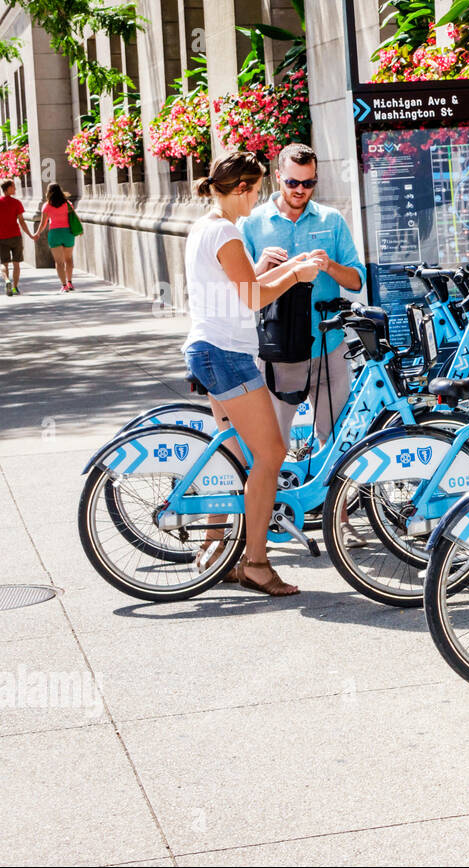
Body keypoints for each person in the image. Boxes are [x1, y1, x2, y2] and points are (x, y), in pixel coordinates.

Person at [184, 152, 325, 597]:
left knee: (235, 456)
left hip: (209, 349)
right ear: (242, 188)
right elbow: (252, 299)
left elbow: (241, 286)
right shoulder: (226, 232)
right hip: (227, 355)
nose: (260, 198)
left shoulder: (205, 226)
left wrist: (282, 267)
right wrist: (298, 273)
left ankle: (214, 552)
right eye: (259, 188)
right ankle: (257, 564)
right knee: (271, 455)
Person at [240, 142, 369, 547]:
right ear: (279, 176)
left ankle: (340, 521)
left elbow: (357, 281)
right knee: (271, 447)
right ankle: (267, 524)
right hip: (278, 350)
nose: (301, 190)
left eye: (309, 182)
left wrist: (329, 265)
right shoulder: (254, 222)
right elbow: (241, 285)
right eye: (294, 182)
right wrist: (263, 266)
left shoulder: (331, 220)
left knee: (337, 442)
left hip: (328, 346)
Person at [34, 183, 77, 292]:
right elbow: (74, 219)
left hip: (54, 234)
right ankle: (70, 282)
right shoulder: (68, 204)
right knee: (68, 259)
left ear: (49, 192)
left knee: (59, 262)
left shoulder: (46, 206)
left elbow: (43, 223)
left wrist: (37, 233)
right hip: (68, 233)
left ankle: (64, 285)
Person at [0, 178, 37, 296]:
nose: (15, 189)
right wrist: (30, 235)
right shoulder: (16, 203)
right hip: (16, 236)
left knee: (4, 263)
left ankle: (7, 281)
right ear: (8, 188)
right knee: (16, 264)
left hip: (2, 238)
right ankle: (15, 287)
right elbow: (22, 221)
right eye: (13, 186)